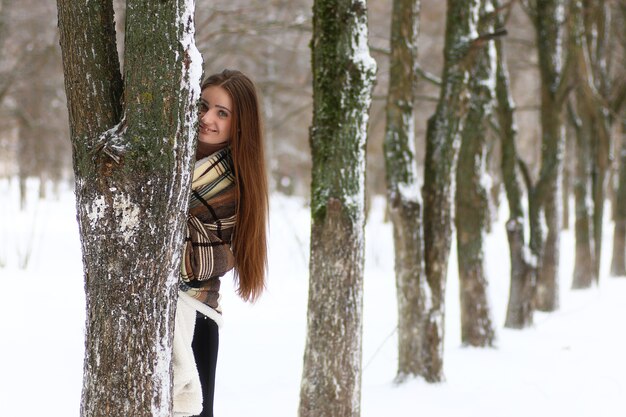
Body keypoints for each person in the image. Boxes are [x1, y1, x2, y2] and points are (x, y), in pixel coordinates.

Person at [173, 69, 268, 417]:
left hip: (195, 316)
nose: (206, 118)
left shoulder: (230, 183)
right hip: (170, 313)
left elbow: (212, 259)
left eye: (221, 113)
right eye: (203, 106)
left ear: (239, 124)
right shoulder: (178, 157)